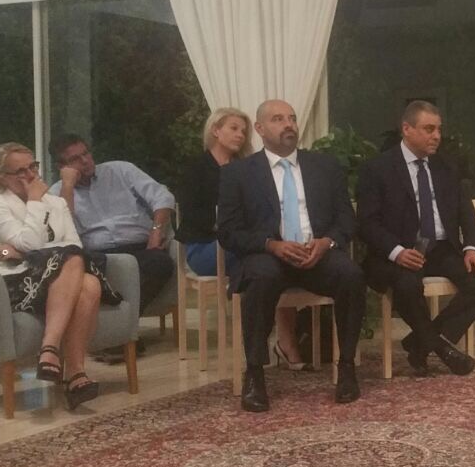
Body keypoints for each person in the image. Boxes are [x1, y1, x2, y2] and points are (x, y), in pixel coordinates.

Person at [217, 99, 365, 411]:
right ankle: (255, 373)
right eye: (278, 119)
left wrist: (327, 242)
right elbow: (228, 232)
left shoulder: (324, 167)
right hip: (269, 254)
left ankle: (347, 367)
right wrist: (271, 244)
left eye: (292, 118)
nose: (288, 124)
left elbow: (346, 219)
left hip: (317, 253)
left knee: (351, 275)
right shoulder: (238, 173)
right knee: (261, 276)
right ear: (260, 129)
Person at [357, 100, 475, 377]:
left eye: (439, 129)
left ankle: (420, 343)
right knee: (407, 284)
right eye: (429, 129)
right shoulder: (378, 169)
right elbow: (366, 223)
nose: (437, 136)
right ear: (406, 129)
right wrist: (397, 251)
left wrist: (471, 249)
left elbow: (467, 213)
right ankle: (440, 348)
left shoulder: (446, 167)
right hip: (394, 253)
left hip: (440, 248)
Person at [0, 143, 123, 410]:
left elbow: (73, 244)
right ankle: (60, 359)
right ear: (3, 178)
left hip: (59, 277)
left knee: (87, 278)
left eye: (32, 167)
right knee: (77, 267)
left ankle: (64, 364)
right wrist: (34, 203)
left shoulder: (56, 203)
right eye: (21, 171)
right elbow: (31, 242)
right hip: (15, 282)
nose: (31, 175)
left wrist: (22, 252)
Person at [176, 108, 310, 370]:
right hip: (205, 247)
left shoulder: (249, 168)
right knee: (272, 256)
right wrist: (231, 223)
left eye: (244, 131)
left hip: (245, 244)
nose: (240, 135)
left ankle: (279, 341)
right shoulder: (196, 168)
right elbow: (192, 216)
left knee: (275, 256)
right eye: (234, 128)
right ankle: (275, 343)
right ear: (216, 130)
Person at [49, 135, 176, 361]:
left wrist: (156, 231)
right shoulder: (57, 193)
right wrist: (68, 186)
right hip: (100, 255)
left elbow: (163, 196)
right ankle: (122, 337)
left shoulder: (121, 170)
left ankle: (116, 335)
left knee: (161, 263)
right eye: (76, 159)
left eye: (86, 153)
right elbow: (61, 231)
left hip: (140, 248)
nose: (85, 161)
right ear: (62, 166)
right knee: (86, 272)